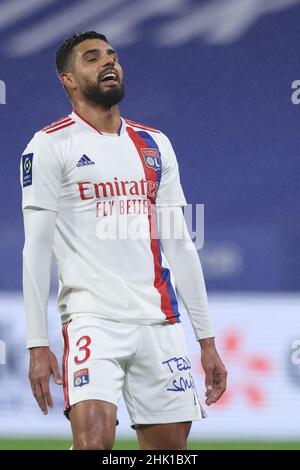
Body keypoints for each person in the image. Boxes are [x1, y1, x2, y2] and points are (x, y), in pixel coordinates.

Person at [21, 31, 227, 450]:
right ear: (69, 81)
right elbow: (36, 249)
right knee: (94, 444)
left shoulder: (155, 144)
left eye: (112, 56)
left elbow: (181, 246)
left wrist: (207, 341)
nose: (108, 63)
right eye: (92, 58)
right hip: (91, 320)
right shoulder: (49, 146)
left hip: (159, 323)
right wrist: (37, 343)